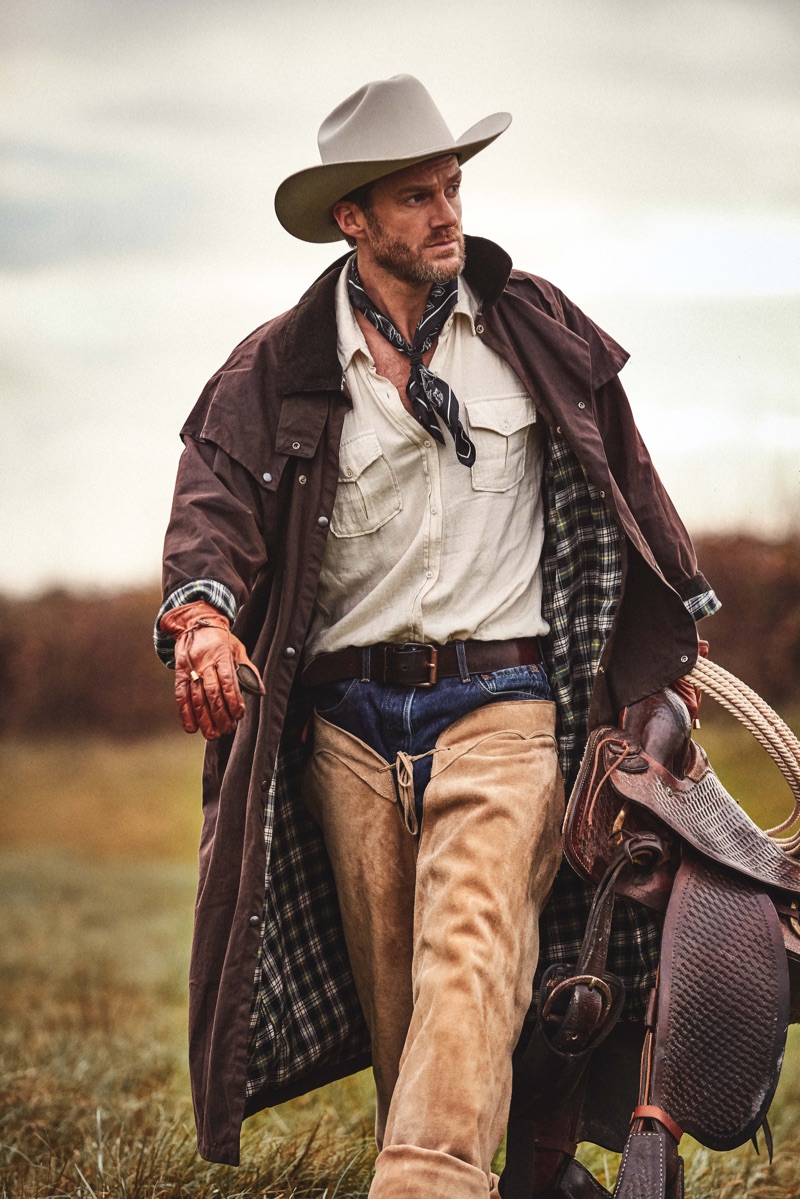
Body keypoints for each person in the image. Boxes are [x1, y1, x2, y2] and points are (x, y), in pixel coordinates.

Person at [155, 75, 719, 1199]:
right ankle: (511, 1176)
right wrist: (203, 615)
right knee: (411, 1009)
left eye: (451, 185)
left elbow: (633, 494)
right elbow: (211, 508)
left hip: (505, 703)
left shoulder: (536, 330)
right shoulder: (274, 368)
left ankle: (421, 1186)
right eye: (413, 196)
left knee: (470, 952)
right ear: (349, 220)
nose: (446, 213)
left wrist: (668, 655)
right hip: (344, 728)